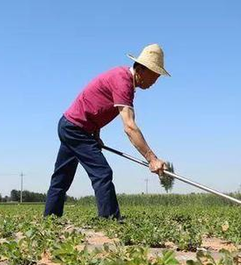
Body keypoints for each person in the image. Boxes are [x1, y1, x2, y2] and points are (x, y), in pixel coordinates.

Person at [44, 44, 170, 220]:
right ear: (141, 69)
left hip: (71, 126)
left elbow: (94, 105)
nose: (154, 82)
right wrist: (152, 159)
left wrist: (96, 135)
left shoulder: (122, 79)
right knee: (102, 173)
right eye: (154, 76)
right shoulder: (123, 81)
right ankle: (110, 220)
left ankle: (50, 219)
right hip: (75, 129)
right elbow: (129, 126)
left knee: (61, 178)